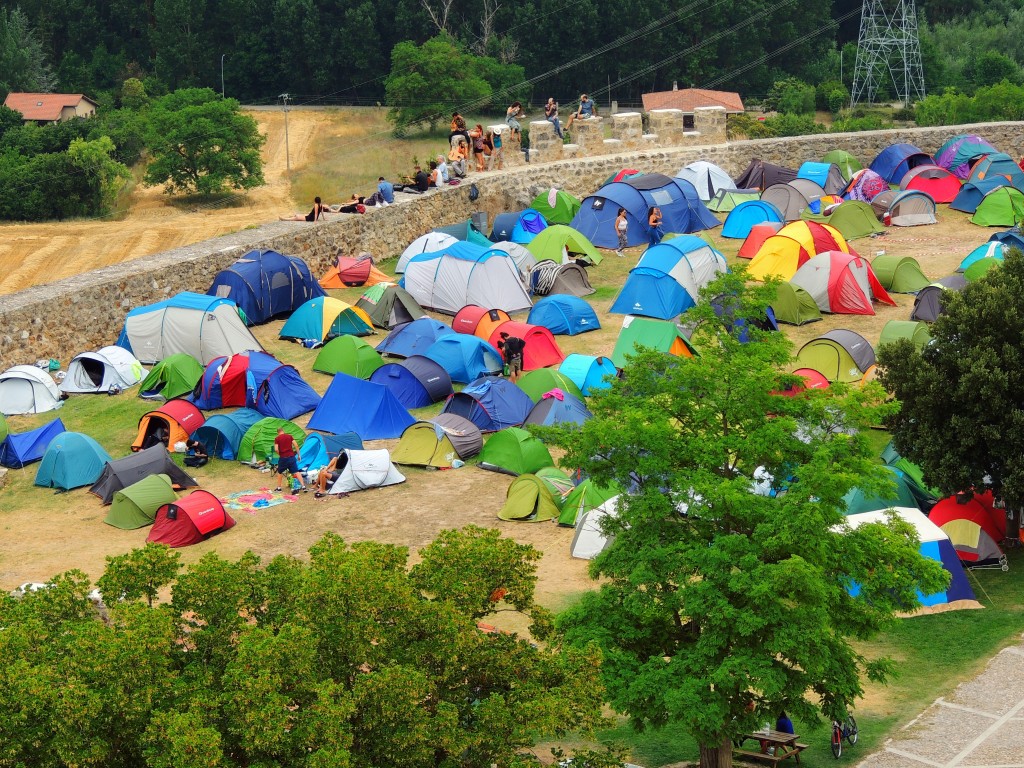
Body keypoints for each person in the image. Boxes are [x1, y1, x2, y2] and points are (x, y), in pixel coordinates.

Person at [272, 427, 308, 492]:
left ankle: (279, 488)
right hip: (291, 457)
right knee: (296, 471)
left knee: (280, 472)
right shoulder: (289, 436)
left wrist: (280, 454)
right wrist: (299, 455)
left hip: (283, 458)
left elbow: (276, 449)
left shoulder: (277, 438)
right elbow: (296, 445)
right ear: (283, 431)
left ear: (278, 432)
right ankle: (303, 486)